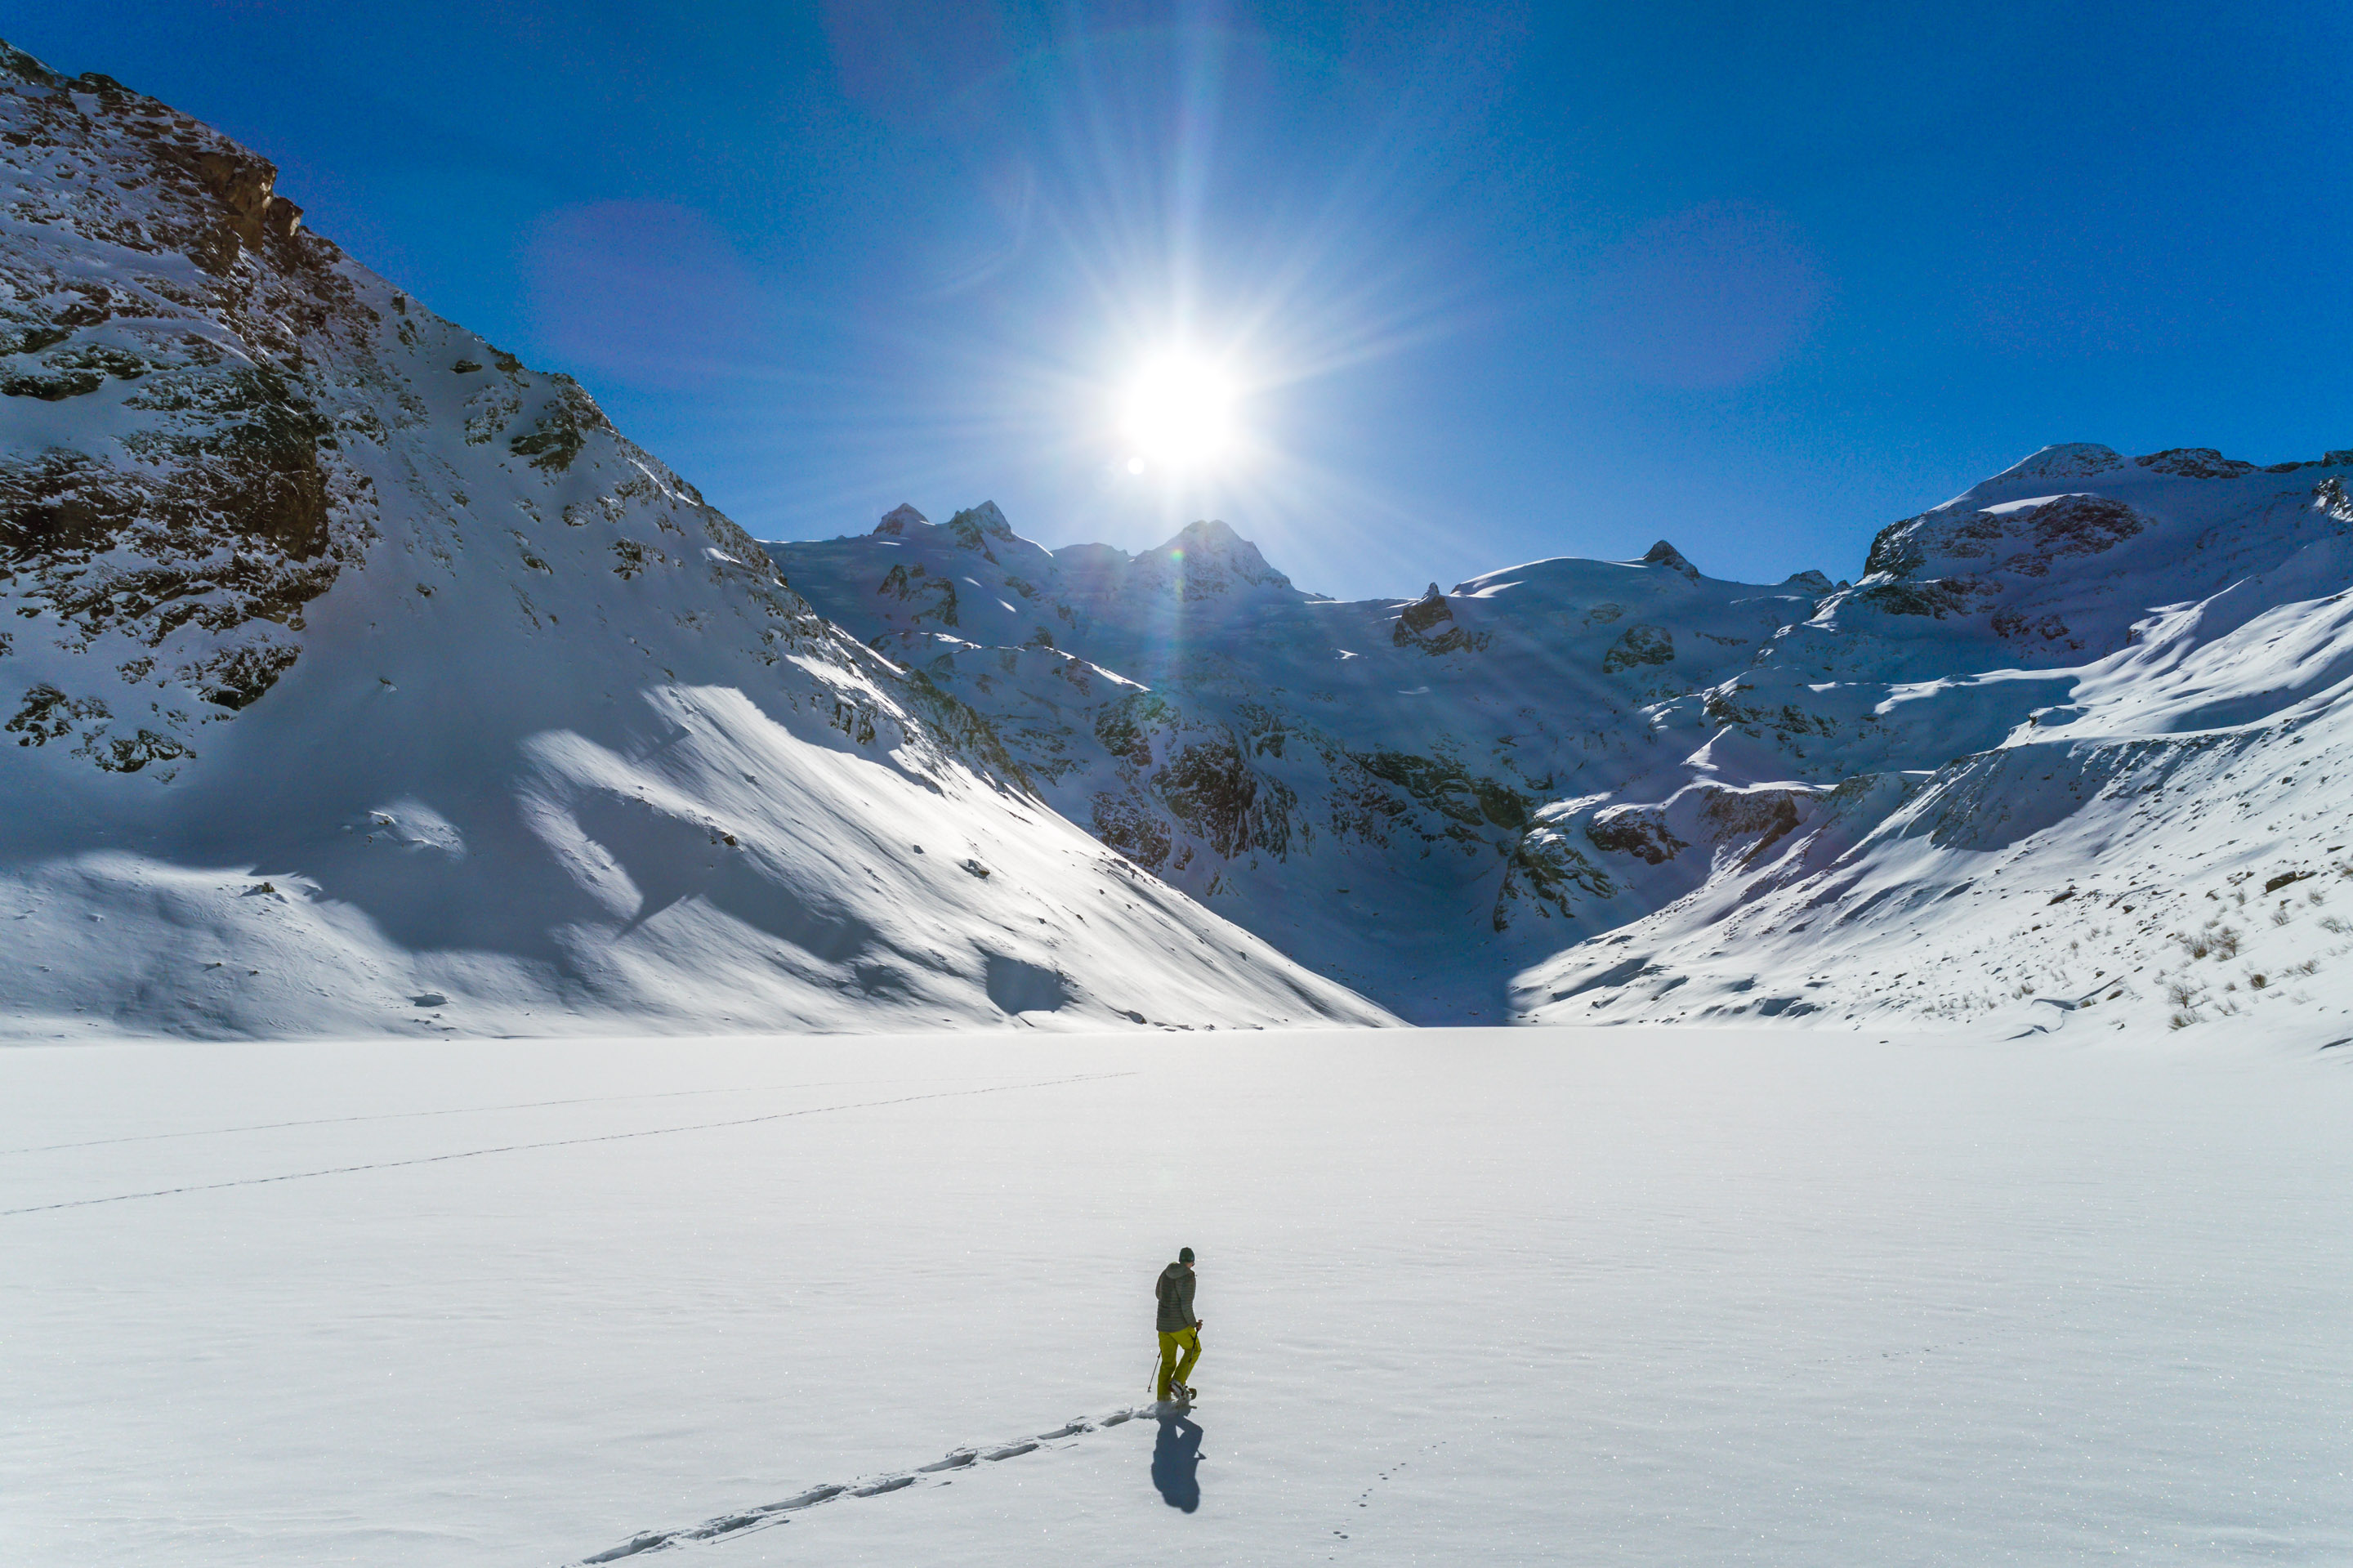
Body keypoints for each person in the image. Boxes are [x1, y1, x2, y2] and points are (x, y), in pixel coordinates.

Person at [1154, 1246, 1202, 1402]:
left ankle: (1163, 1402)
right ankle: (1178, 1383)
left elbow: (1158, 1294)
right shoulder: (1188, 1277)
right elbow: (1186, 1306)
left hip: (1163, 1324)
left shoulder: (1166, 1272)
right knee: (1194, 1349)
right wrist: (1194, 1323)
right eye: (1192, 1263)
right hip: (1180, 1325)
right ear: (1190, 1262)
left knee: (1167, 1363)